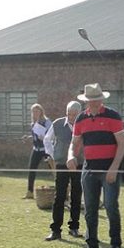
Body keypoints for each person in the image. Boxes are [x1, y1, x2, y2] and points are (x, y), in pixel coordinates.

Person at [67, 83, 124, 248]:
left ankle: (115, 245)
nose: (93, 103)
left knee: (110, 206)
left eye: (96, 100)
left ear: (102, 99)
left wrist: (114, 168)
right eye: (90, 100)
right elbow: (74, 143)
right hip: (89, 168)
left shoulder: (113, 116)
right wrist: (71, 155)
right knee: (90, 208)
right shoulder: (80, 119)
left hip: (109, 168)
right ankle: (91, 246)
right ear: (86, 101)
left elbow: (122, 143)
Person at [43, 101, 83, 240]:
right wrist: (53, 155)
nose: (71, 117)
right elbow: (47, 139)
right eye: (69, 114)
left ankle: (74, 227)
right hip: (61, 164)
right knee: (59, 196)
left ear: (80, 113)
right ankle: (55, 230)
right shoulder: (57, 124)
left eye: (74, 115)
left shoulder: (84, 124)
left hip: (79, 163)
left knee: (76, 195)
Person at [23, 103, 52, 199]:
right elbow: (36, 135)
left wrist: (43, 137)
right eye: (33, 111)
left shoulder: (47, 122)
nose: (35, 113)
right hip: (36, 149)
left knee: (53, 168)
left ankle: (63, 190)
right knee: (31, 169)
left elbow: (52, 135)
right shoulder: (33, 123)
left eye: (37, 111)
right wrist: (29, 137)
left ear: (41, 111)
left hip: (46, 149)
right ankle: (30, 192)